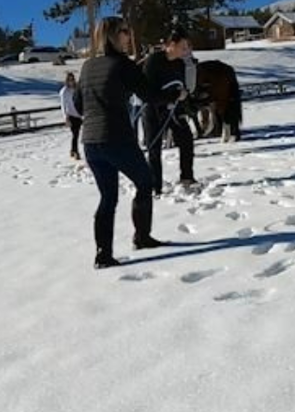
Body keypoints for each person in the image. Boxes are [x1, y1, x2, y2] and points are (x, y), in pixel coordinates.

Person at [74, 16, 185, 269]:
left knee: (108, 197)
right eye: (124, 31)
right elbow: (149, 95)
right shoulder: (123, 65)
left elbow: (79, 105)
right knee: (145, 182)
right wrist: (174, 94)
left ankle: (103, 255)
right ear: (113, 35)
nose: (128, 35)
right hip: (117, 139)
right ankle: (142, 237)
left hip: (90, 142)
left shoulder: (87, 66)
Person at [142, 27, 196, 196]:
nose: (185, 50)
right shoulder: (153, 61)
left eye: (186, 47)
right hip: (153, 110)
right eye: (182, 46)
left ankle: (187, 177)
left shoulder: (179, 63)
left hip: (174, 110)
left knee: (186, 139)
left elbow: (181, 86)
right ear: (171, 45)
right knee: (154, 148)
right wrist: (173, 95)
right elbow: (148, 93)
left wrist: (183, 96)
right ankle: (155, 186)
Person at [59, 72, 83, 160]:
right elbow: (63, 105)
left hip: (79, 114)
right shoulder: (64, 91)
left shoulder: (77, 89)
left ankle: (73, 150)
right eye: (69, 80)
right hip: (71, 115)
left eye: (72, 79)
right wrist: (65, 117)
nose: (71, 81)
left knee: (77, 134)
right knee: (75, 134)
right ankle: (75, 151)